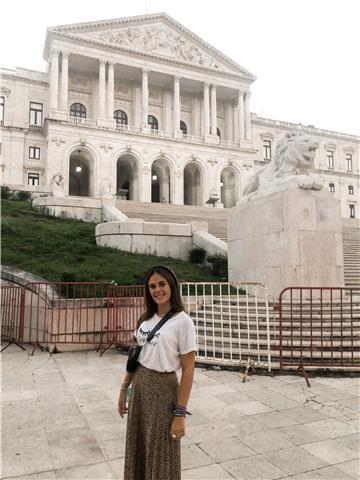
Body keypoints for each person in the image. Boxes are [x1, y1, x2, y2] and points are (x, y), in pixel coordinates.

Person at [118, 265, 197, 480]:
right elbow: (136, 357)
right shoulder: (145, 319)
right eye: (152, 286)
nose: (157, 290)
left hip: (163, 390)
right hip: (140, 388)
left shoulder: (183, 322)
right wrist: (124, 388)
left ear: (172, 285)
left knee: (160, 450)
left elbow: (189, 370)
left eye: (162, 284)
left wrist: (180, 414)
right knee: (139, 445)